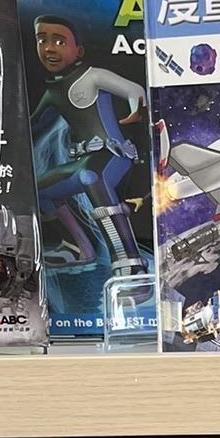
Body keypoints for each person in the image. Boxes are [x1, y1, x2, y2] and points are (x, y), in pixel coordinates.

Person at [31, 14, 146, 274]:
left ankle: (129, 261)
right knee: (40, 190)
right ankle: (78, 247)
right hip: (84, 162)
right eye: (42, 40)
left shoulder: (94, 76)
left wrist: (136, 111)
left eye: (59, 42)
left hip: (114, 155)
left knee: (91, 176)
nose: (49, 48)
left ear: (79, 50)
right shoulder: (53, 91)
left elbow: (134, 90)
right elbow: (34, 123)